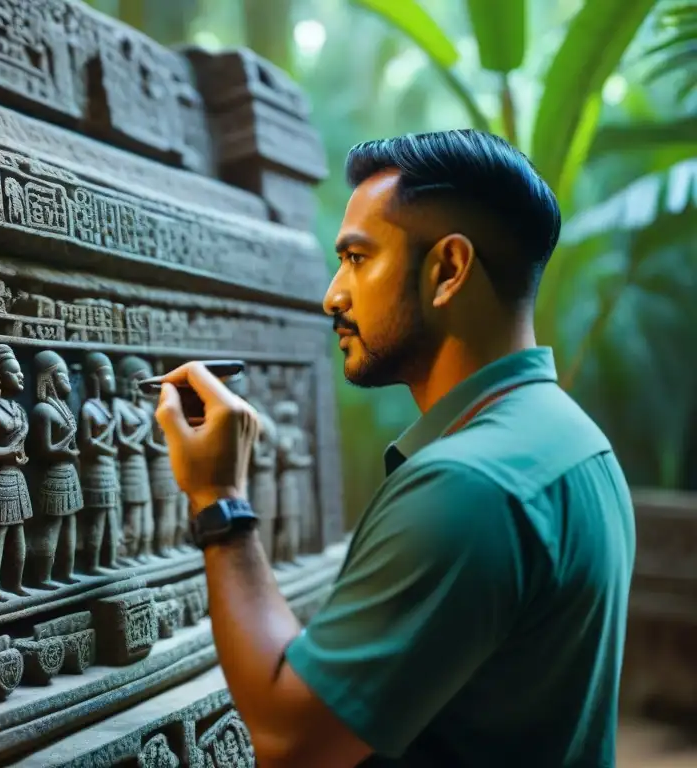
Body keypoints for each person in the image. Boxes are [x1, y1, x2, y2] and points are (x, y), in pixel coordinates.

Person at [155, 129, 636, 768]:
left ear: (448, 270)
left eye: (356, 258)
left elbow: (289, 739)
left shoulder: (467, 487)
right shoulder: (578, 442)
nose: (333, 294)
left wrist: (220, 500)